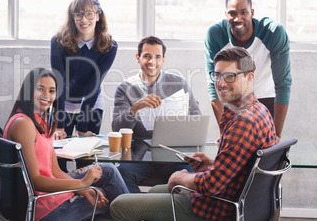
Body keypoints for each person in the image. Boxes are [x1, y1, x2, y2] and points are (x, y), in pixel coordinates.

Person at [110, 47, 276, 220]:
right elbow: (243, 166)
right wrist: (212, 163)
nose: (221, 83)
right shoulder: (259, 111)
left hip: (215, 207)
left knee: (119, 205)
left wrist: (181, 177)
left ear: (249, 77)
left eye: (230, 76)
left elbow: (212, 184)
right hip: (226, 197)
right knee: (154, 190)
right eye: (218, 75)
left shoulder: (243, 123)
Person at [3, 67, 129, 221]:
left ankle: (134, 211)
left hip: (49, 197)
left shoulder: (40, 121)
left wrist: (83, 189)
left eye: (51, 91)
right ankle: (136, 212)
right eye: (40, 89)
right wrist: (82, 183)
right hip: (43, 207)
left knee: (108, 171)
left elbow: (54, 171)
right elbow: (34, 181)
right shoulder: (23, 124)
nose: (46, 96)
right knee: (117, 207)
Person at [111, 35, 201, 193]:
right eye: (147, 56)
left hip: (173, 155)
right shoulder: (125, 87)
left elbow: (196, 119)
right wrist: (135, 108)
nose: (152, 62)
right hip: (139, 157)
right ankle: (138, 211)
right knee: (119, 175)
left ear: (163, 59)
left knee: (190, 176)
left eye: (157, 57)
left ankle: (164, 210)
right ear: (138, 58)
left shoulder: (179, 84)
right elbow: (117, 127)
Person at [204, 0, 291, 141]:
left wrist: (276, 135)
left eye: (243, 12)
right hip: (232, 100)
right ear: (226, 15)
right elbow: (213, 82)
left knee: (266, 154)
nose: (238, 18)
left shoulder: (273, 32)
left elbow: (283, 84)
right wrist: (223, 130)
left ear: (252, 12)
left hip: (264, 98)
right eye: (232, 13)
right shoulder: (215, 34)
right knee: (233, 153)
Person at [50, 0, 117, 139]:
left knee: (86, 157)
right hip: (64, 103)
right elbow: (58, 82)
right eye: (78, 14)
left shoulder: (110, 46)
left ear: (98, 16)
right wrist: (59, 125)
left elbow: (93, 85)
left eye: (89, 14)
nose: (84, 19)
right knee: (59, 156)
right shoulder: (58, 41)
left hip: (91, 105)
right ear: (72, 17)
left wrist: (82, 126)